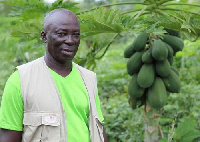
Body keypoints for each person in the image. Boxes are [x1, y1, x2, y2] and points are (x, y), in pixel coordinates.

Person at [0, 8, 107, 142]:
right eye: (62, 34)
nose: (70, 40)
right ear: (44, 36)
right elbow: (8, 137)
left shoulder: (89, 79)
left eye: (76, 35)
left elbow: (99, 131)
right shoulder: (20, 80)